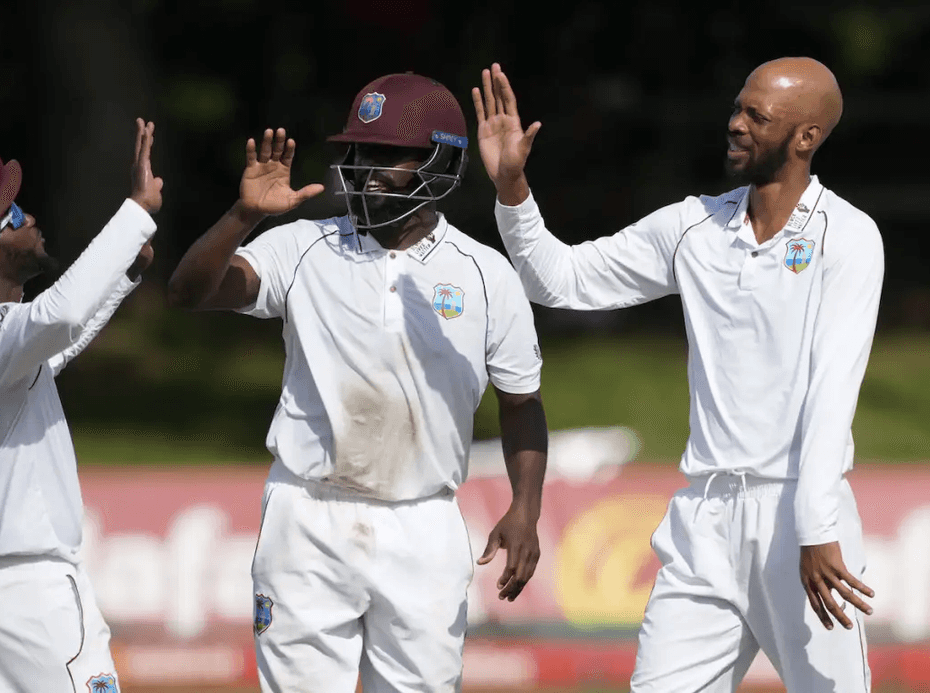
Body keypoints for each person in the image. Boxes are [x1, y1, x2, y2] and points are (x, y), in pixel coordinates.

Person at [474, 59, 884, 692]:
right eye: (738, 108)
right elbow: (559, 280)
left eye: (757, 116)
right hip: (704, 522)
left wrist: (816, 527)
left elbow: (833, 392)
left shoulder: (849, 237)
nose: (736, 124)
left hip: (800, 516)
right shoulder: (693, 226)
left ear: (806, 137)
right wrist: (512, 189)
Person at [167, 72, 548, 692]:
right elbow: (189, 293)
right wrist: (243, 215)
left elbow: (522, 403)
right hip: (307, 516)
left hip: (423, 522)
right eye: (358, 152)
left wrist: (525, 509)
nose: (365, 171)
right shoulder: (302, 246)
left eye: (386, 155)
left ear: (440, 162)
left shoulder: (486, 274)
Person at [0, 118, 163, 693]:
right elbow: (59, 315)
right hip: (26, 593)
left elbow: (55, 343)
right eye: (9, 216)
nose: (26, 215)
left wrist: (123, 275)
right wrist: (134, 213)